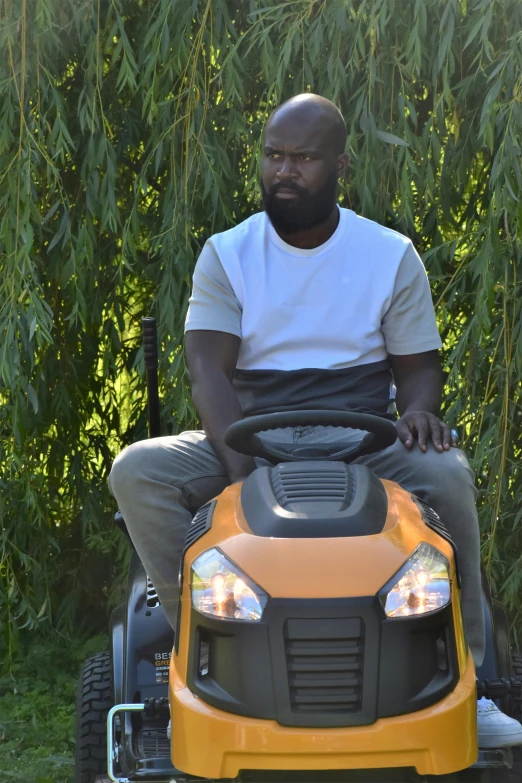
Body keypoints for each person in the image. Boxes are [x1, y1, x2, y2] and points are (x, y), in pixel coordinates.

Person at [109, 94, 522, 748]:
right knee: (138, 470)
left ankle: (469, 684)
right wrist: (241, 476)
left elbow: (418, 367)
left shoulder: (389, 254)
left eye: (303, 157)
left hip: (365, 437)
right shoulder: (228, 253)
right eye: (274, 155)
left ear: (339, 165)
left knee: (447, 472)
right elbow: (209, 374)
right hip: (247, 434)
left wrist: (417, 412)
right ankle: (202, 646)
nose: (285, 170)